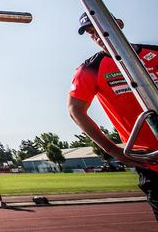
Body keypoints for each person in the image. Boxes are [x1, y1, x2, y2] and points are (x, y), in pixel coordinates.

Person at [68, 12, 158, 221]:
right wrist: (111, 149)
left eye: (99, 27)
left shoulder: (154, 53)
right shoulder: (90, 69)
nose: (97, 35)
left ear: (119, 23)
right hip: (151, 164)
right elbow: (75, 110)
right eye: (91, 33)